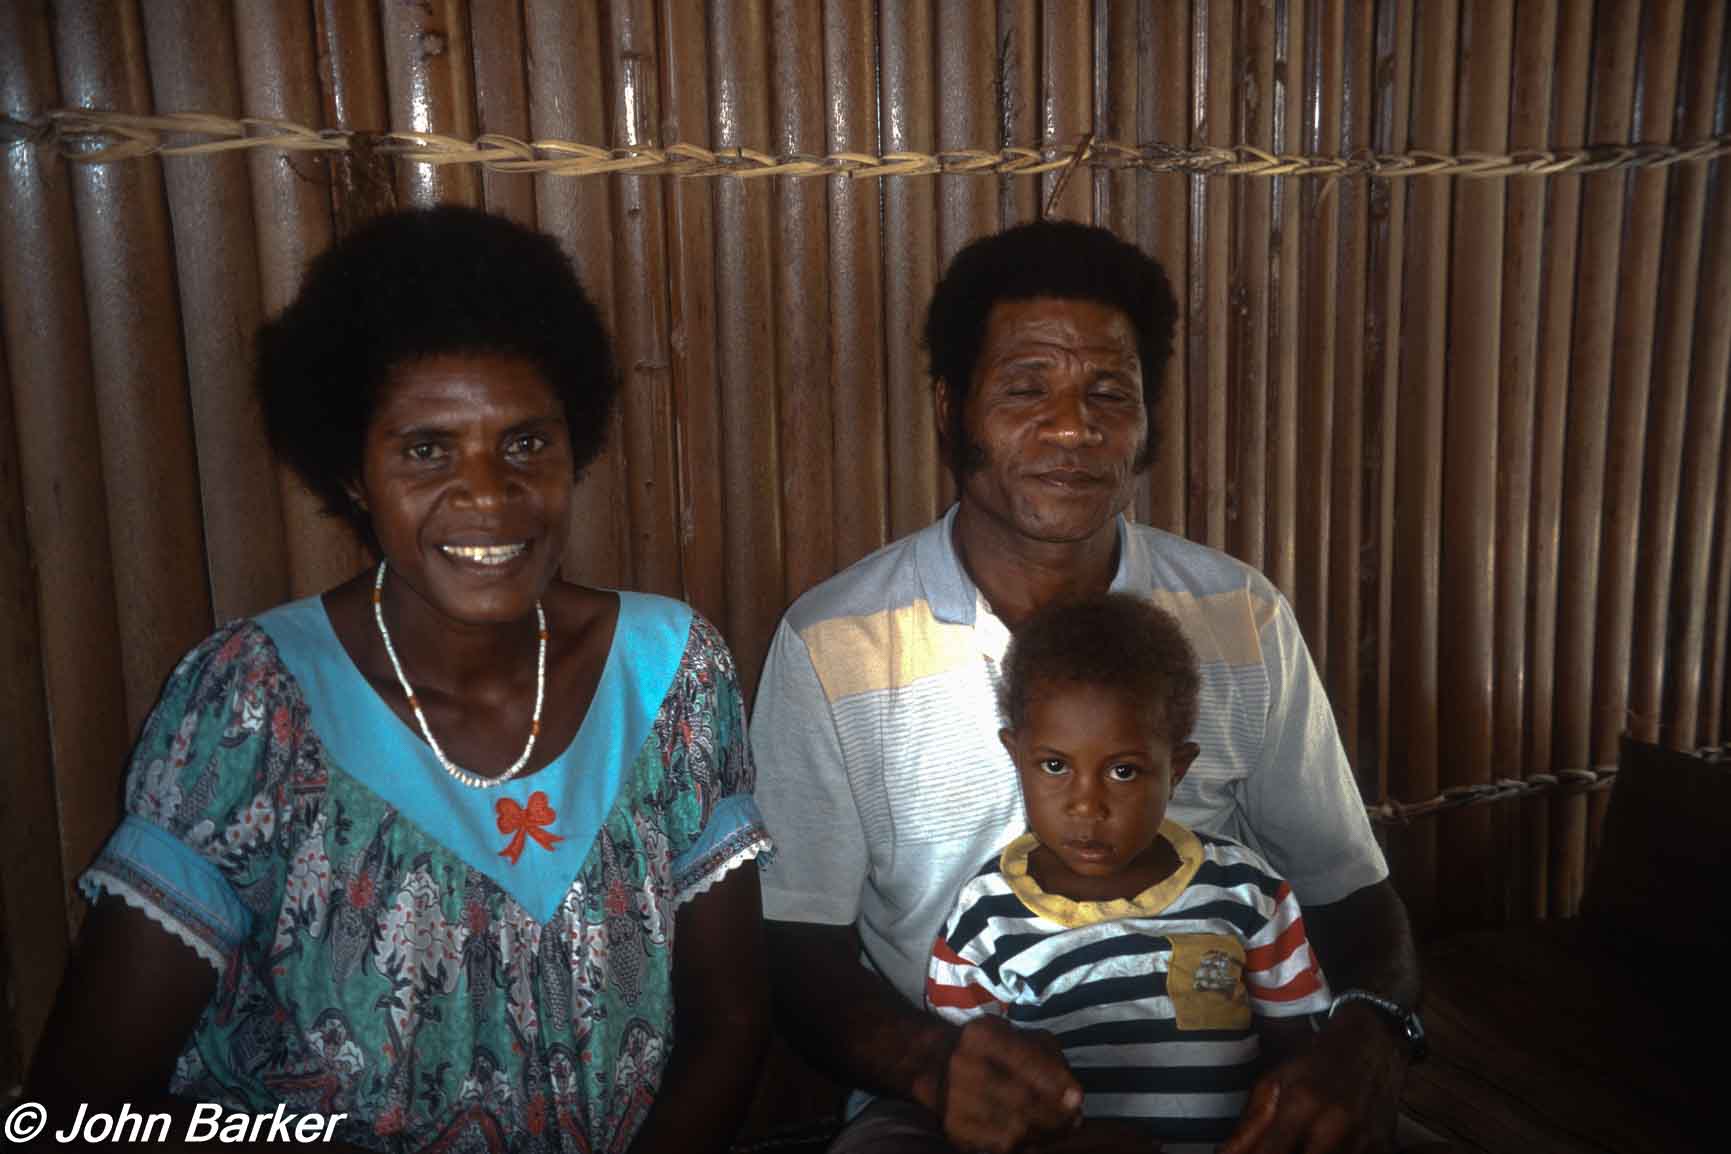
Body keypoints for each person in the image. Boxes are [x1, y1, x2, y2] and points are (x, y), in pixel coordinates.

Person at [25, 207, 772, 1153]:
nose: (488, 493)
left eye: (526, 443)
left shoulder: (669, 677)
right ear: (351, 472)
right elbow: (79, 1108)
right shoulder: (257, 704)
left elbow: (730, 1024)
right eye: (426, 450)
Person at [751, 220, 1421, 1154]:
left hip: (1225, 1102)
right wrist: (933, 1068)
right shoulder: (836, 644)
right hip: (948, 1110)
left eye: (1110, 392)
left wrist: (1364, 1037)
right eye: (1026, 388)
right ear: (950, 410)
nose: (1073, 427)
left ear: (1147, 425)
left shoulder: (1238, 615)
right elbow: (796, 946)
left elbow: (1348, 894)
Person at [925, 594, 1331, 1152]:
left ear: (1176, 769)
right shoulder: (985, 917)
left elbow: (1293, 1058)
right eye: (1054, 766)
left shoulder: (1248, 892)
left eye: (1123, 771)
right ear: (1016, 756)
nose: (1086, 805)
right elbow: (971, 1088)